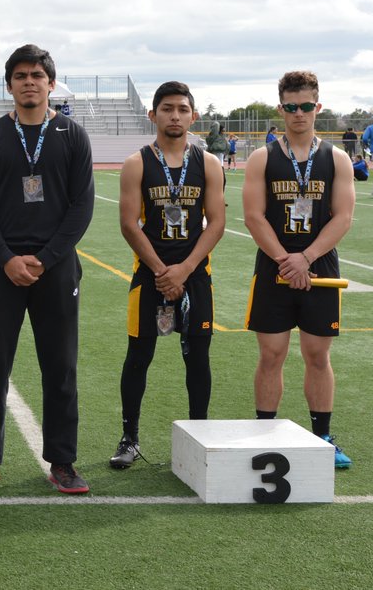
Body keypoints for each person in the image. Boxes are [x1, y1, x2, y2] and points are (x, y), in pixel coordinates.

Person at [0, 44, 95, 495]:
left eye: (37, 75)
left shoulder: (72, 135)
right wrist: (6, 258)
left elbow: (81, 206)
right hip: (0, 267)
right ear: (9, 85)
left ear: (51, 84)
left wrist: (47, 257)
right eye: (20, 76)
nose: (29, 82)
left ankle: (63, 461)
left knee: (60, 366)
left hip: (55, 268)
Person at [110, 82, 225, 469]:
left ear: (194, 116)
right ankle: (129, 438)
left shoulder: (209, 163)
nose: (175, 115)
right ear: (152, 115)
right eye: (167, 109)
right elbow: (129, 224)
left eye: (182, 109)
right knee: (139, 356)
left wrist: (185, 269)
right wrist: (162, 271)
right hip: (150, 276)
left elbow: (216, 222)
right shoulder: (137, 163)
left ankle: (199, 435)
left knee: (198, 358)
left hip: (195, 275)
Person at [243, 71, 355, 468]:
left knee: (317, 354)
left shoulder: (336, 158)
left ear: (317, 107)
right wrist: (286, 260)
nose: (299, 113)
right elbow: (253, 217)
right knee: (271, 353)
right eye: (291, 107)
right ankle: (265, 435)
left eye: (306, 106)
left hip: (319, 265)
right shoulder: (263, 157)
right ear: (281, 109)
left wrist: (305, 258)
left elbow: (343, 217)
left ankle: (323, 436)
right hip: (274, 263)